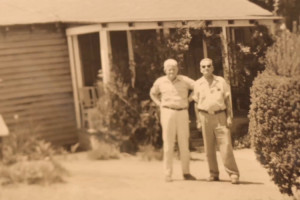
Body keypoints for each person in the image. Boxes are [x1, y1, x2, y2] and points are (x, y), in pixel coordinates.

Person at [193, 58, 240, 184]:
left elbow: (228, 101)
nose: (206, 68)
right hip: (204, 117)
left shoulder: (221, 81)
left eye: (209, 66)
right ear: (200, 69)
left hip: (220, 116)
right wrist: (198, 120)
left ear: (213, 67)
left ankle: (233, 173)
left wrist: (229, 116)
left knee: (226, 146)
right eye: (203, 67)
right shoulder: (197, 84)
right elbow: (196, 103)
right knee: (208, 148)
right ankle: (213, 173)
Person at [150, 58, 196, 182]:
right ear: (165, 70)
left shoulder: (184, 80)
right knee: (168, 143)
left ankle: (186, 173)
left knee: (184, 144)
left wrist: (190, 99)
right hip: (167, 112)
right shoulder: (160, 81)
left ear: (177, 69)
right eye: (169, 69)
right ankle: (167, 174)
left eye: (174, 69)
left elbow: (197, 86)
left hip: (182, 112)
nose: (172, 71)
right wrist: (159, 103)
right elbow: (152, 93)